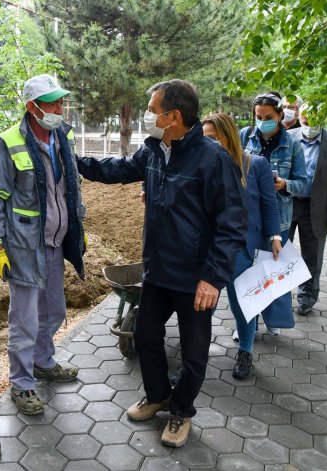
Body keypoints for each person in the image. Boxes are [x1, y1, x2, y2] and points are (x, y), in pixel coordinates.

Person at [77, 80, 248, 448]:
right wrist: (74, 162)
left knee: (193, 353)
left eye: (153, 110)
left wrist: (213, 279)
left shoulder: (213, 159)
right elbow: (119, 169)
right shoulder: (154, 150)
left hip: (194, 278)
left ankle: (182, 411)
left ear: (174, 116)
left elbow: (232, 225)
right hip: (157, 270)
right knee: (146, 336)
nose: (148, 115)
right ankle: (157, 396)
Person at [0, 74, 87, 415]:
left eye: (60, 101)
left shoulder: (61, 138)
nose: (60, 107)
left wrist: (78, 227)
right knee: (24, 320)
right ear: (32, 107)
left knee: (54, 311)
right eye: (53, 102)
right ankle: (22, 384)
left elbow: (71, 188)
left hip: (55, 243)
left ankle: (43, 362)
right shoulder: (7, 143)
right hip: (24, 247)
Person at [203, 113, 281, 379]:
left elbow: (269, 204)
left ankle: (245, 351)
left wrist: (275, 236)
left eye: (213, 138)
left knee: (244, 304)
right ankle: (195, 355)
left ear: (228, 136)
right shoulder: (203, 165)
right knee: (204, 305)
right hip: (210, 248)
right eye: (204, 139)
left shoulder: (255, 165)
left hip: (243, 248)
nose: (208, 144)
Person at [240, 92, 307, 335]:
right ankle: (246, 322)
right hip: (247, 218)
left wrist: (283, 184)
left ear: (280, 115)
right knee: (246, 271)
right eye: (258, 116)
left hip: (279, 217)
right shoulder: (245, 135)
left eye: (268, 116)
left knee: (271, 271)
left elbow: (303, 183)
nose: (263, 121)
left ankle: (272, 319)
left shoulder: (293, 144)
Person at [287, 103, 327, 315]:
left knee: (312, 257)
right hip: (288, 203)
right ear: (299, 115)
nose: (309, 121)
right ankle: (278, 295)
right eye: (306, 117)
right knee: (279, 250)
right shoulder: (288, 136)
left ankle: (307, 298)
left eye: (315, 117)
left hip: (317, 209)